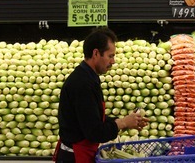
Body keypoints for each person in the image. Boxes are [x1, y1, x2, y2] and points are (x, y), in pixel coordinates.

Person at [54, 28, 148, 163]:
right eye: (110, 56)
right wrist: (122, 123)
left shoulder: (88, 77)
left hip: (79, 152)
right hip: (75, 157)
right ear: (96, 53)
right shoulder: (82, 84)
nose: (113, 61)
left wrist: (126, 122)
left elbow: (93, 118)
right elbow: (95, 132)